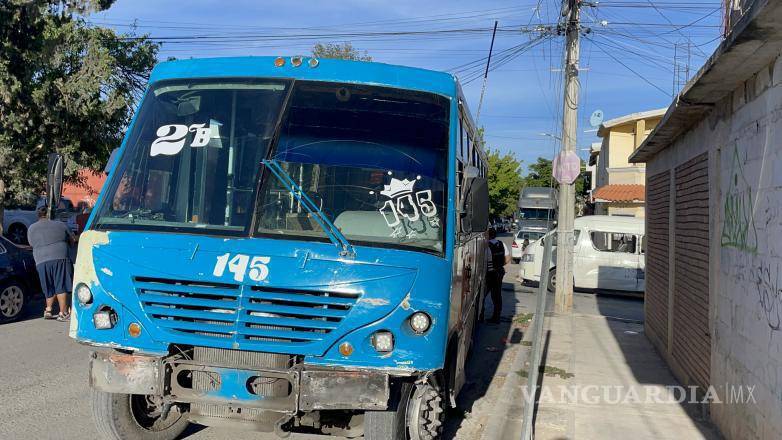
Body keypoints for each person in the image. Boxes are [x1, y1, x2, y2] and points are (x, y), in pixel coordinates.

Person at [28, 206, 76, 321]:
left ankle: (48, 310)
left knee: (48, 286)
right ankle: (63, 313)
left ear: (38, 215)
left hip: (40, 261)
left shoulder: (31, 228)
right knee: (61, 285)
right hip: (59, 257)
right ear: (50, 214)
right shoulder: (60, 225)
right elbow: (72, 239)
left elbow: (31, 244)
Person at [483, 227, 510, 324]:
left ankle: (481, 315)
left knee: (483, 295)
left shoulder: (486, 246)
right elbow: (507, 259)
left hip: (489, 274)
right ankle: (496, 317)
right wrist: (499, 265)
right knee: (497, 296)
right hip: (499, 272)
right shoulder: (502, 244)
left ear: (487, 235)